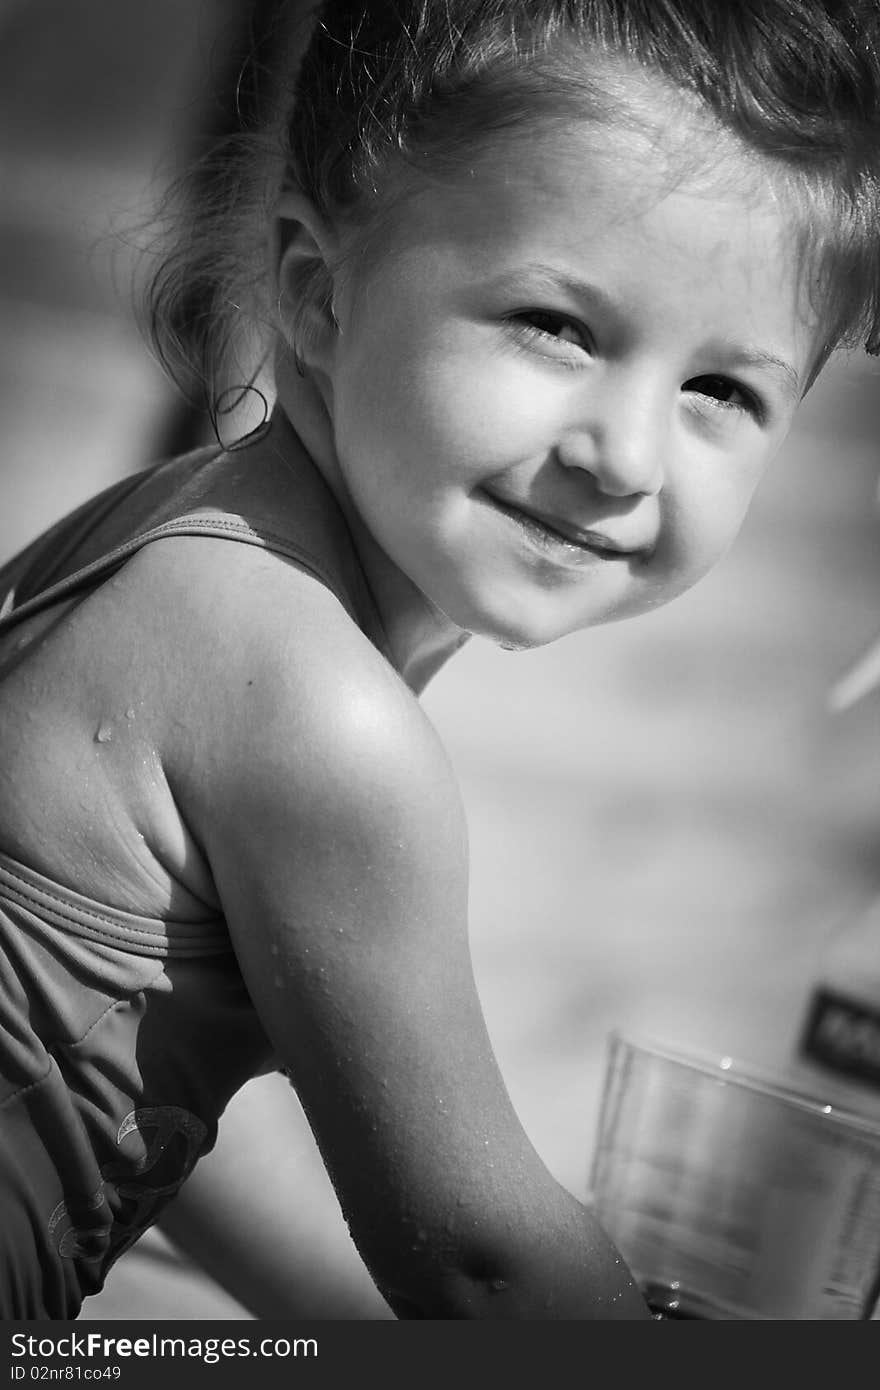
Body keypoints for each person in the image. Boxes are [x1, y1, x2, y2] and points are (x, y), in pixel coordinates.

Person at [1, 0, 878, 1322]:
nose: (624, 455)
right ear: (312, 290)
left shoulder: (179, 538)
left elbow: (161, 1118)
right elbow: (482, 1264)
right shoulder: (316, 707)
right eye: (557, 324)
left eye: (722, 391)